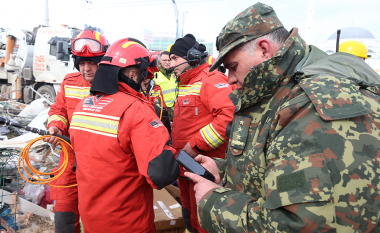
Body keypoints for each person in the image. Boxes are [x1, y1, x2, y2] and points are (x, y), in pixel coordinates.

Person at [185, 2, 380, 232]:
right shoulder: (277, 90)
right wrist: (225, 170)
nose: (229, 79)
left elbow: (298, 224)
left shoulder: (314, 106)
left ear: (264, 49)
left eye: (233, 66)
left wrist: (213, 202)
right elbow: (280, 169)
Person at [69, 38, 180, 233]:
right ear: (132, 73)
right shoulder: (136, 109)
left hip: (91, 219)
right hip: (128, 223)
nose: (145, 81)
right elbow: (161, 174)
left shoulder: (82, 107)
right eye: (144, 75)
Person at [44, 27, 108, 233]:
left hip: (101, 165)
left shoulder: (114, 88)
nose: (87, 68)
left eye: (92, 63)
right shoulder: (69, 83)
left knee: (99, 220)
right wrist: (55, 127)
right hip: (69, 161)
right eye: (82, 63)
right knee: (64, 218)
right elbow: (59, 110)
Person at [169, 34, 235, 233]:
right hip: (187, 165)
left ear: (192, 56)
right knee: (189, 215)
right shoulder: (185, 82)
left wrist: (194, 145)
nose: (170, 64)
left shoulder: (211, 79)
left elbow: (228, 116)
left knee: (203, 221)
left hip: (205, 166)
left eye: (175, 59)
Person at [153, 50, 178, 119]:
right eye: (164, 60)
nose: (167, 62)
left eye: (169, 60)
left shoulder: (176, 73)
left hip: (176, 110)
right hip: (161, 110)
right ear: (159, 61)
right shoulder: (154, 74)